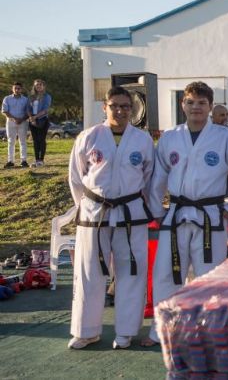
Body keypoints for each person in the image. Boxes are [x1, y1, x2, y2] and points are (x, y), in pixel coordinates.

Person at [142, 82, 228, 347]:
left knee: (211, 275)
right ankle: (162, 331)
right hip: (176, 214)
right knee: (166, 274)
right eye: (190, 102)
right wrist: (156, 209)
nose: (196, 107)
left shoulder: (225, 137)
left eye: (202, 103)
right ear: (182, 105)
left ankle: (212, 330)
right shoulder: (171, 137)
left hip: (211, 215)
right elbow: (157, 177)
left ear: (210, 107)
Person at [67, 86, 155, 350]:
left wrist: (144, 208)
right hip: (95, 212)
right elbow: (76, 176)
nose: (120, 110)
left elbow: (149, 179)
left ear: (133, 109)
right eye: (114, 105)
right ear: (104, 107)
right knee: (88, 271)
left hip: (131, 214)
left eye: (125, 106)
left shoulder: (142, 140)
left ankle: (126, 332)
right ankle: (86, 330)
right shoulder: (89, 136)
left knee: (132, 272)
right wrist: (85, 206)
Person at [2, 82, 30, 168]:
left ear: (21, 89)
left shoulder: (26, 100)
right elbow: (5, 111)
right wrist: (14, 119)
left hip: (23, 122)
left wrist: (21, 119)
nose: (17, 90)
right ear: (12, 89)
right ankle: (10, 161)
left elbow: (28, 112)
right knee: (11, 141)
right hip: (10, 122)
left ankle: (24, 160)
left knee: (23, 141)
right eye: (15, 88)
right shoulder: (7, 99)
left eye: (19, 88)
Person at [27, 79, 52, 167]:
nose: (38, 86)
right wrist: (31, 117)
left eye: (40, 85)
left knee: (41, 140)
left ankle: (41, 160)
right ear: (34, 86)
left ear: (43, 86)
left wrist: (35, 117)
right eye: (37, 85)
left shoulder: (47, 96)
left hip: (42, 119)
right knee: (35, 141)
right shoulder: (31, 97)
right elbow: (28, 108)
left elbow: (45, 110)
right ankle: (37, 159)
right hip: (32, 119)